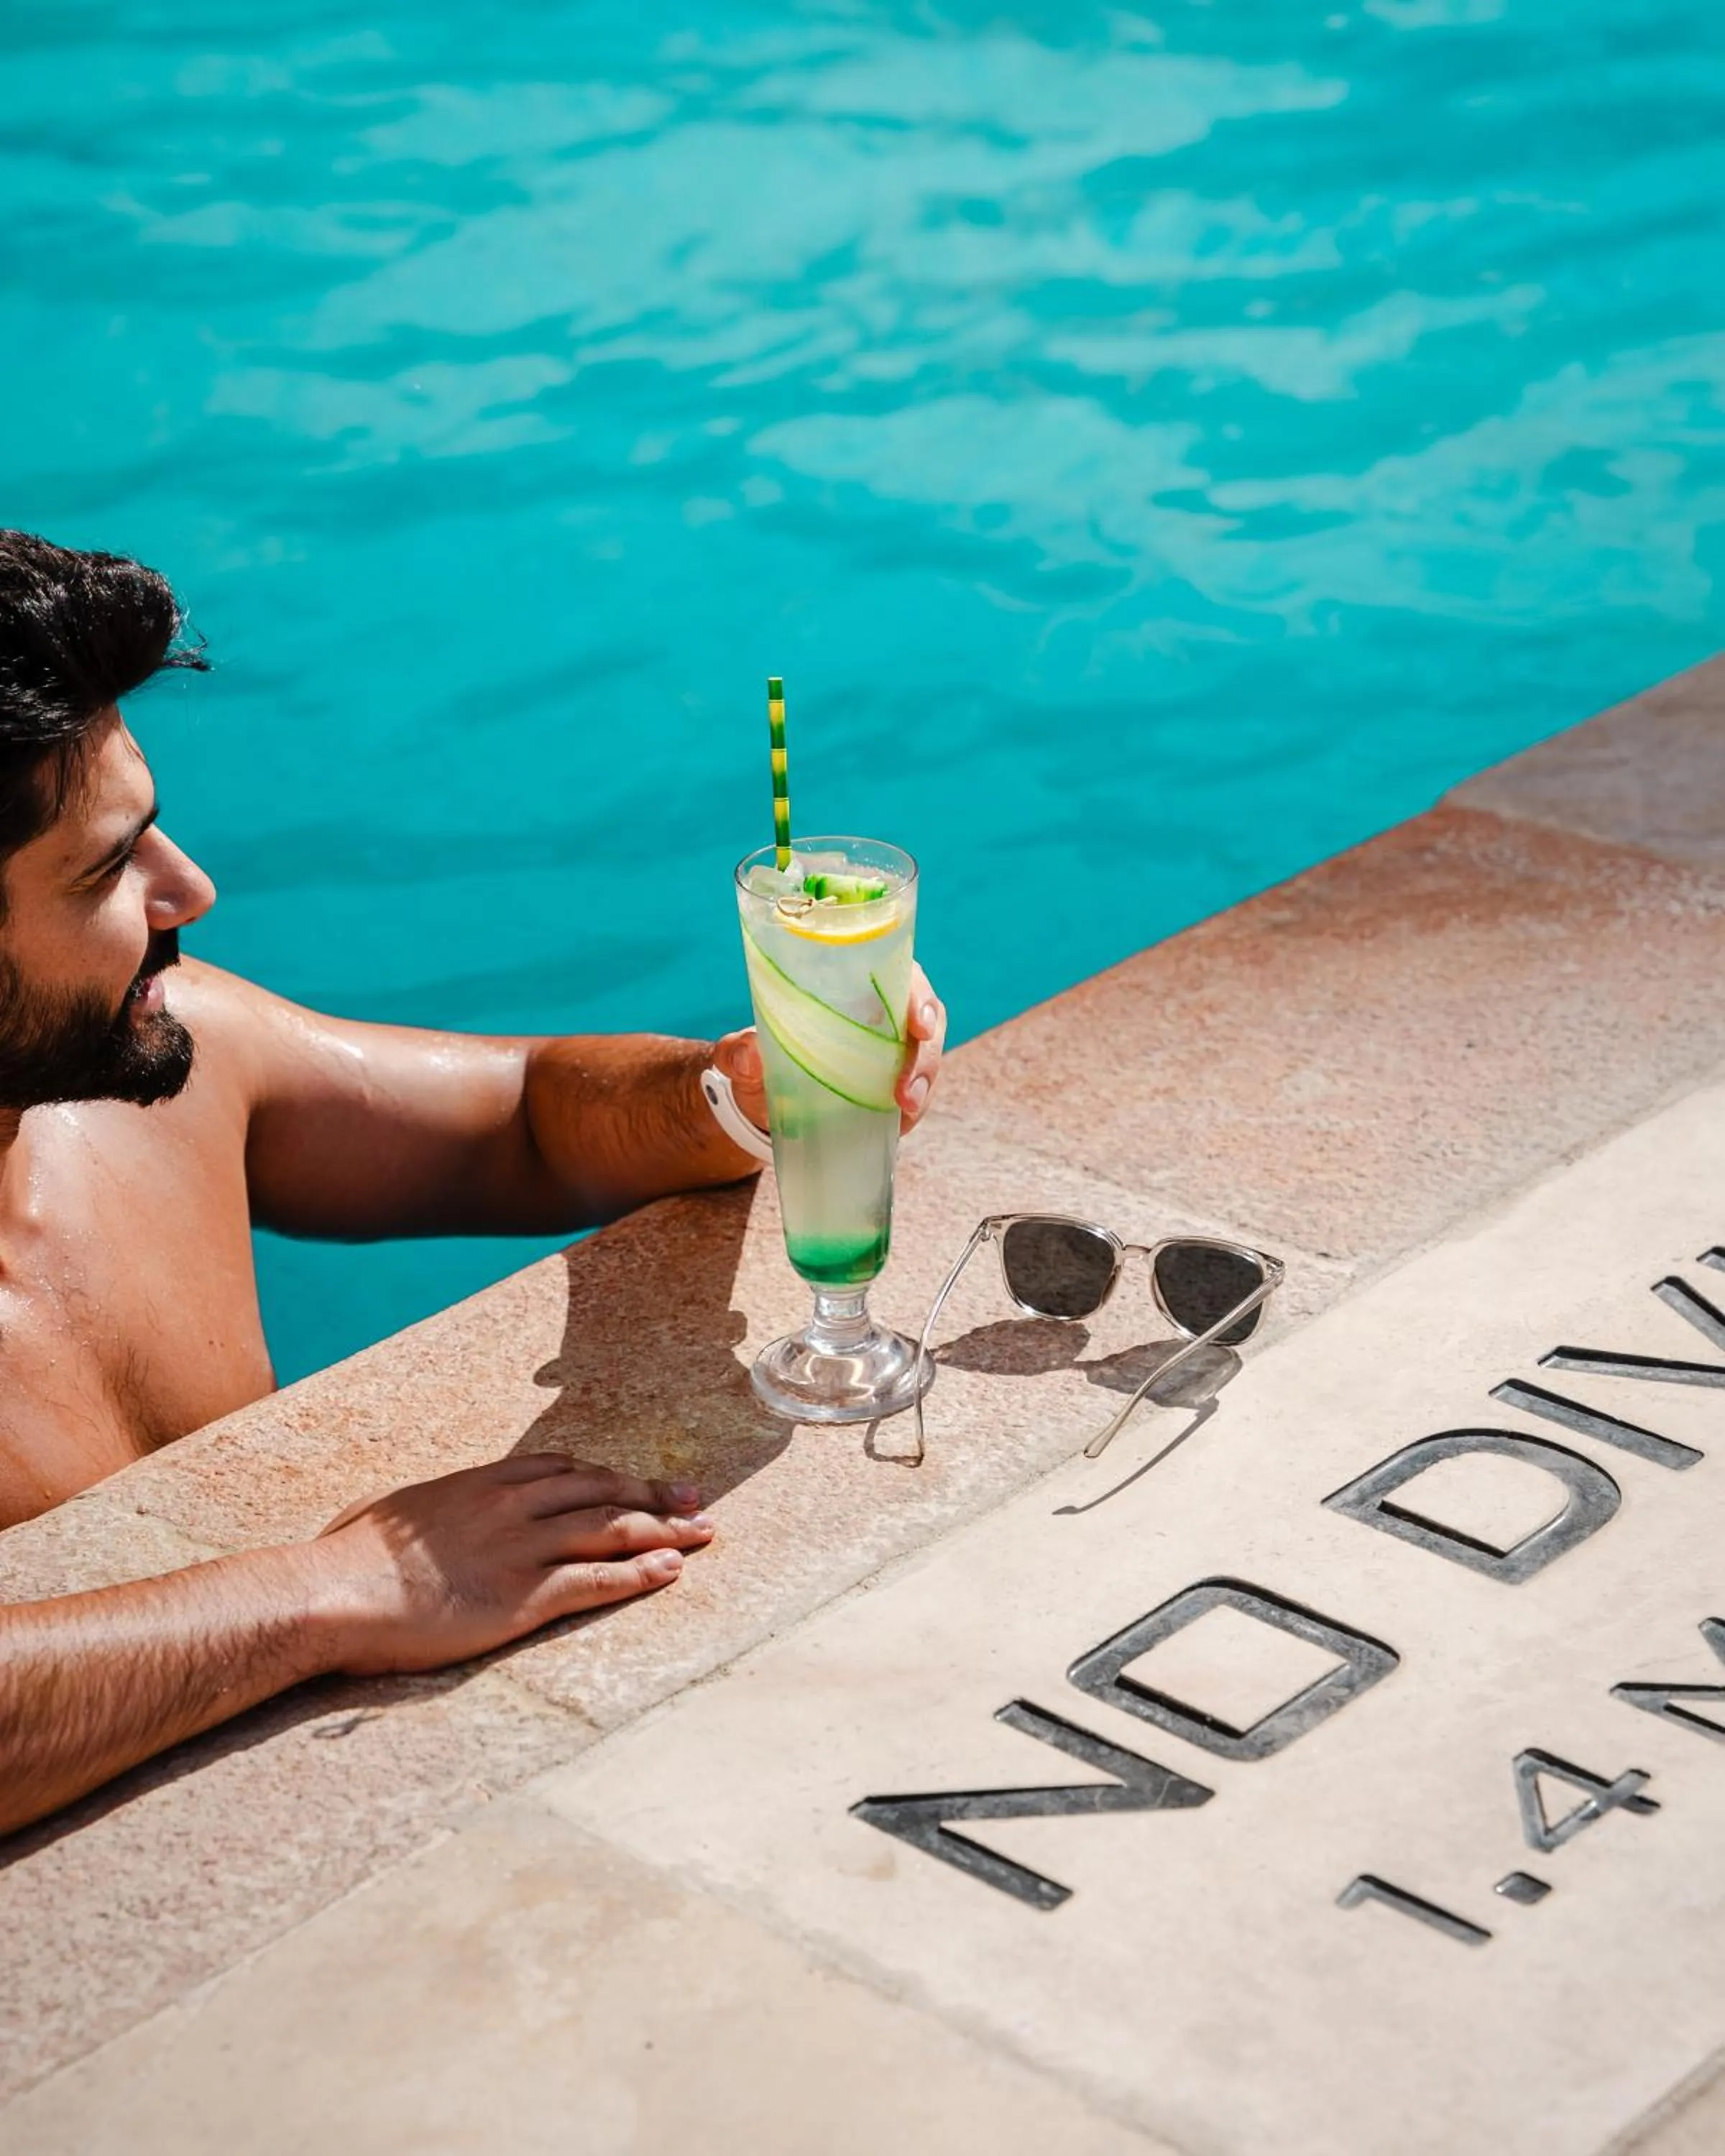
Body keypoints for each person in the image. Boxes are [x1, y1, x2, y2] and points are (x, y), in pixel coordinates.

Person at [0, 530, 946, 1834]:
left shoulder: (157, 1066)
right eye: (109, 869)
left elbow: (521, 1119)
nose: (192, 890)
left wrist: (736, 1091)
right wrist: (340, 1590)